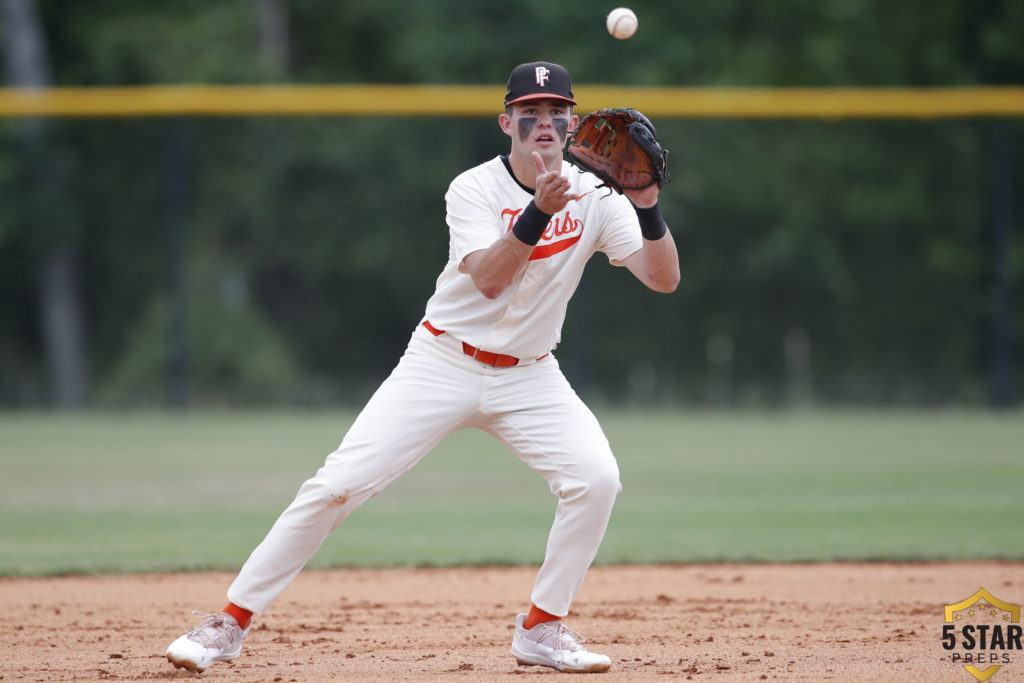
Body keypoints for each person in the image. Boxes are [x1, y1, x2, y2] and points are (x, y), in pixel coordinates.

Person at [165, 60, 679, 675]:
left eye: (556, 112)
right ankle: (229, 623)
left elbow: (664, 278)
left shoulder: (596, 194)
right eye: (530, 113)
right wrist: (538, 212)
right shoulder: (473, 189)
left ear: (574, 123)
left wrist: (646, 204)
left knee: (596, 479)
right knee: (335, 486)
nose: (545, 123)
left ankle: (542, 629)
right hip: (442, 361)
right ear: (506, 121)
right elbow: (489, 281)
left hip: (530, 373)